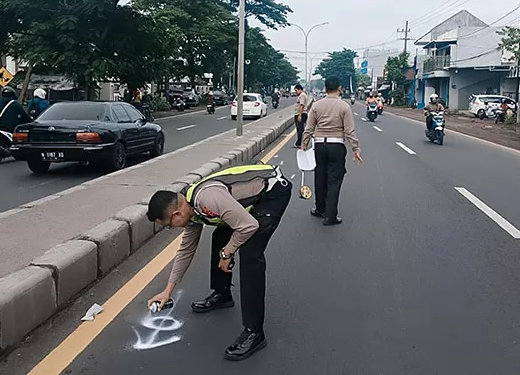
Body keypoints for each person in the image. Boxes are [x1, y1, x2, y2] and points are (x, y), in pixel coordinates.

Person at [146, 164, 292, 361]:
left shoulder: (206, 199)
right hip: (241, 204)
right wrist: (167, 292)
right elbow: (186, 250)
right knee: (220, 236)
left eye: (169, 226)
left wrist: (227, 253)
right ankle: (222, 294)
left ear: (176, 215)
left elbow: (249, 226)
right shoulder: (191, 210)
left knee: (250, 254)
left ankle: (254, 332)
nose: (171, 229)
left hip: (272, 194)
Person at [302, 76, 363, 226]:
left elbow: (309, 128)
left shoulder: (316, 106)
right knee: (334, 181)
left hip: (319, 146)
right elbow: (349, 131)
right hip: (336, 146)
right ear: (339, 89)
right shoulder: (344, 107)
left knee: (320, 177)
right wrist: (356, 149)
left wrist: (304, 144)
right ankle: (330, 216)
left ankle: (320, 209)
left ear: (325, 89)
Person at [293, 84, 311, 148]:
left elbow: (302, 105)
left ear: (299, 89)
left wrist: (300, 115)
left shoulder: (302, 95)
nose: (296, 92)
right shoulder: (302, 95)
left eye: (296, 90)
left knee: (300, 129)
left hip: (301, 113)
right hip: (301, 113)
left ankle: (299, 143)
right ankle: (300, 142)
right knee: (300, 129)